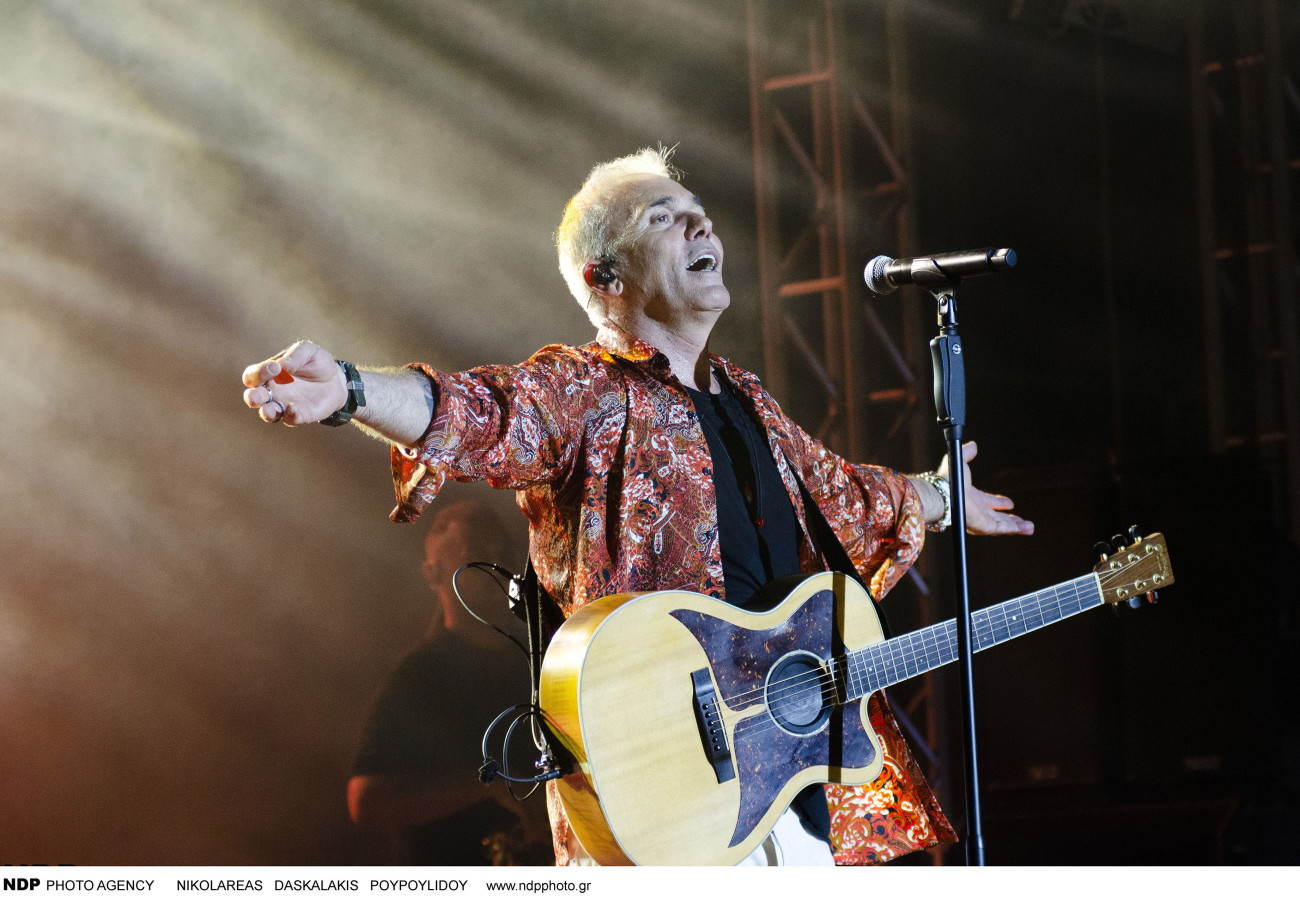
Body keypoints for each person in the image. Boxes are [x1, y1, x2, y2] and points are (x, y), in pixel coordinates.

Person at [242, 147, 1034, 866]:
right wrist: (351, 390)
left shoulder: (749, 400)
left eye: (700, 214)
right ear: (606, 278)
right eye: (664, 217)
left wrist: (938, 494)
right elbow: (481, 411)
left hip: (784, 804)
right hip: (662, 811)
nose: (700, 225)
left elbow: (843, 495)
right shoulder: (586, 389)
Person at [347, 498, 549, 865]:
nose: (496, 565)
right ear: (433, 575)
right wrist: (485, 787)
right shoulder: (419, 677)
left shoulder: (543, 657)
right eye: (475, 554)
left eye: (502, 551)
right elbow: (366, 801)